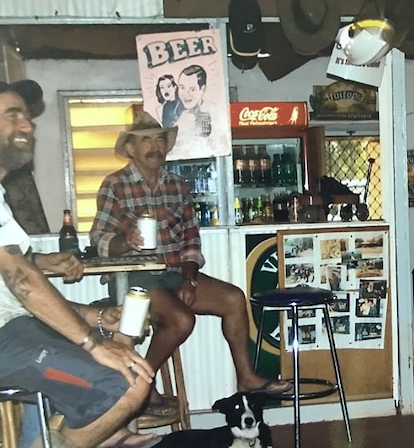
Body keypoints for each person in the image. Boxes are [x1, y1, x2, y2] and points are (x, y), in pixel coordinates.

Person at [0, 77, 159, 448]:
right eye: (12, 115)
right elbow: (20, 279)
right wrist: (94, 343)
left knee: (114, 355)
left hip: (6, 329)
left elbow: (4, 283)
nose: (26, 124)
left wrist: (94, 317)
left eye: (26, 116)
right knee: (129, 380)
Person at [89, 112, 291, 417]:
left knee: (234, 298)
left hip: (175, 273)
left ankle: (246, 378)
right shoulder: (114, 185)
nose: (155, 147)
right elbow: (99, 240)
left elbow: (191, 239)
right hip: (135, 279)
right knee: (181, 320)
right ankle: (141, 385)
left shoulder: (177, 185)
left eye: (159, 140)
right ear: (130, 148)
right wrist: (125, 241)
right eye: (146, 140)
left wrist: (189, 279)